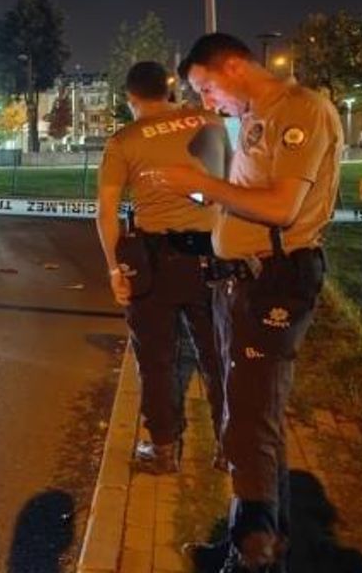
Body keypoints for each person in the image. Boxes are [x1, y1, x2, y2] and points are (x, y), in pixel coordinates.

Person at [151, 33, 343, 572]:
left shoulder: (301, 110)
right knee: (250, 418)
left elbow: (283, 207)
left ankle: (253, 558)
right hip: (241, 281)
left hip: (274, 281)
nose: (207, 101)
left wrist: (204, 186)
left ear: (234, 66)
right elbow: (248, 197)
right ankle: (258, 543)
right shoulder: (256, 116)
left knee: (250, 424)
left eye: (207, 87)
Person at [95, 61, 228, 476]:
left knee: (156, 360)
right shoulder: (211, 121)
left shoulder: (125, 140)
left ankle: (164, 450)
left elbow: (106, 212)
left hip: (156, 263)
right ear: (168, 90)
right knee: (219, 355)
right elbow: (233, 181)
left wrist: (115, 269)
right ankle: (230, 449)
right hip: (215, 256)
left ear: (131, 98)